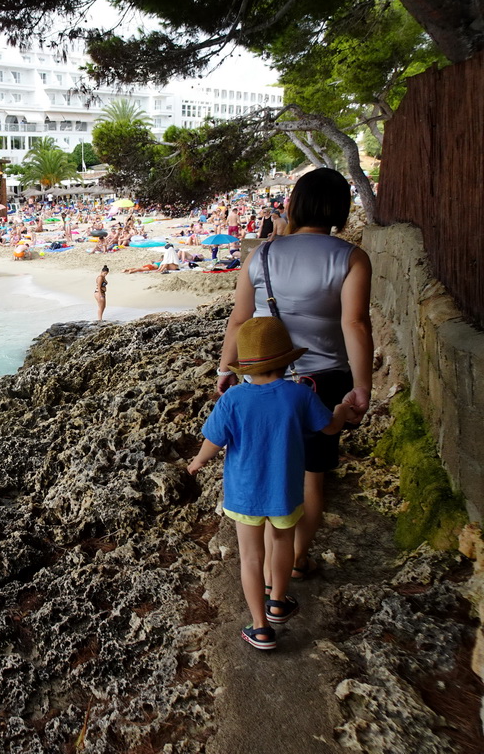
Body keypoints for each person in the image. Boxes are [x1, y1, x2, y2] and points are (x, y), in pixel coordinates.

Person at [217, 167, 373, 583]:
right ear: (342, 209)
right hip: (325, 380)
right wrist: (362, 386)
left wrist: (224, 369)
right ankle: (297, 559)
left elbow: (239, 319)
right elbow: (355, 324)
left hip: (264, 377)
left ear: (293, 204)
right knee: (311, 475)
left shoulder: (262, 255)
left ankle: (266, 565)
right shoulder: (351, 258)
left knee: (267, 464)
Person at [189, 317, 357, 650]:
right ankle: (278, 601)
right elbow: (329, 428)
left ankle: (260, 627)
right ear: (288, 359)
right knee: (281, 544)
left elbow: (213, 440)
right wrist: (341, 411)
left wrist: (196, 462)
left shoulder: (233, 399)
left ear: (244, 365)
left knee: (250, 558)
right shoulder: (299, 395)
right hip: (285, 493)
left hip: (244, 496)